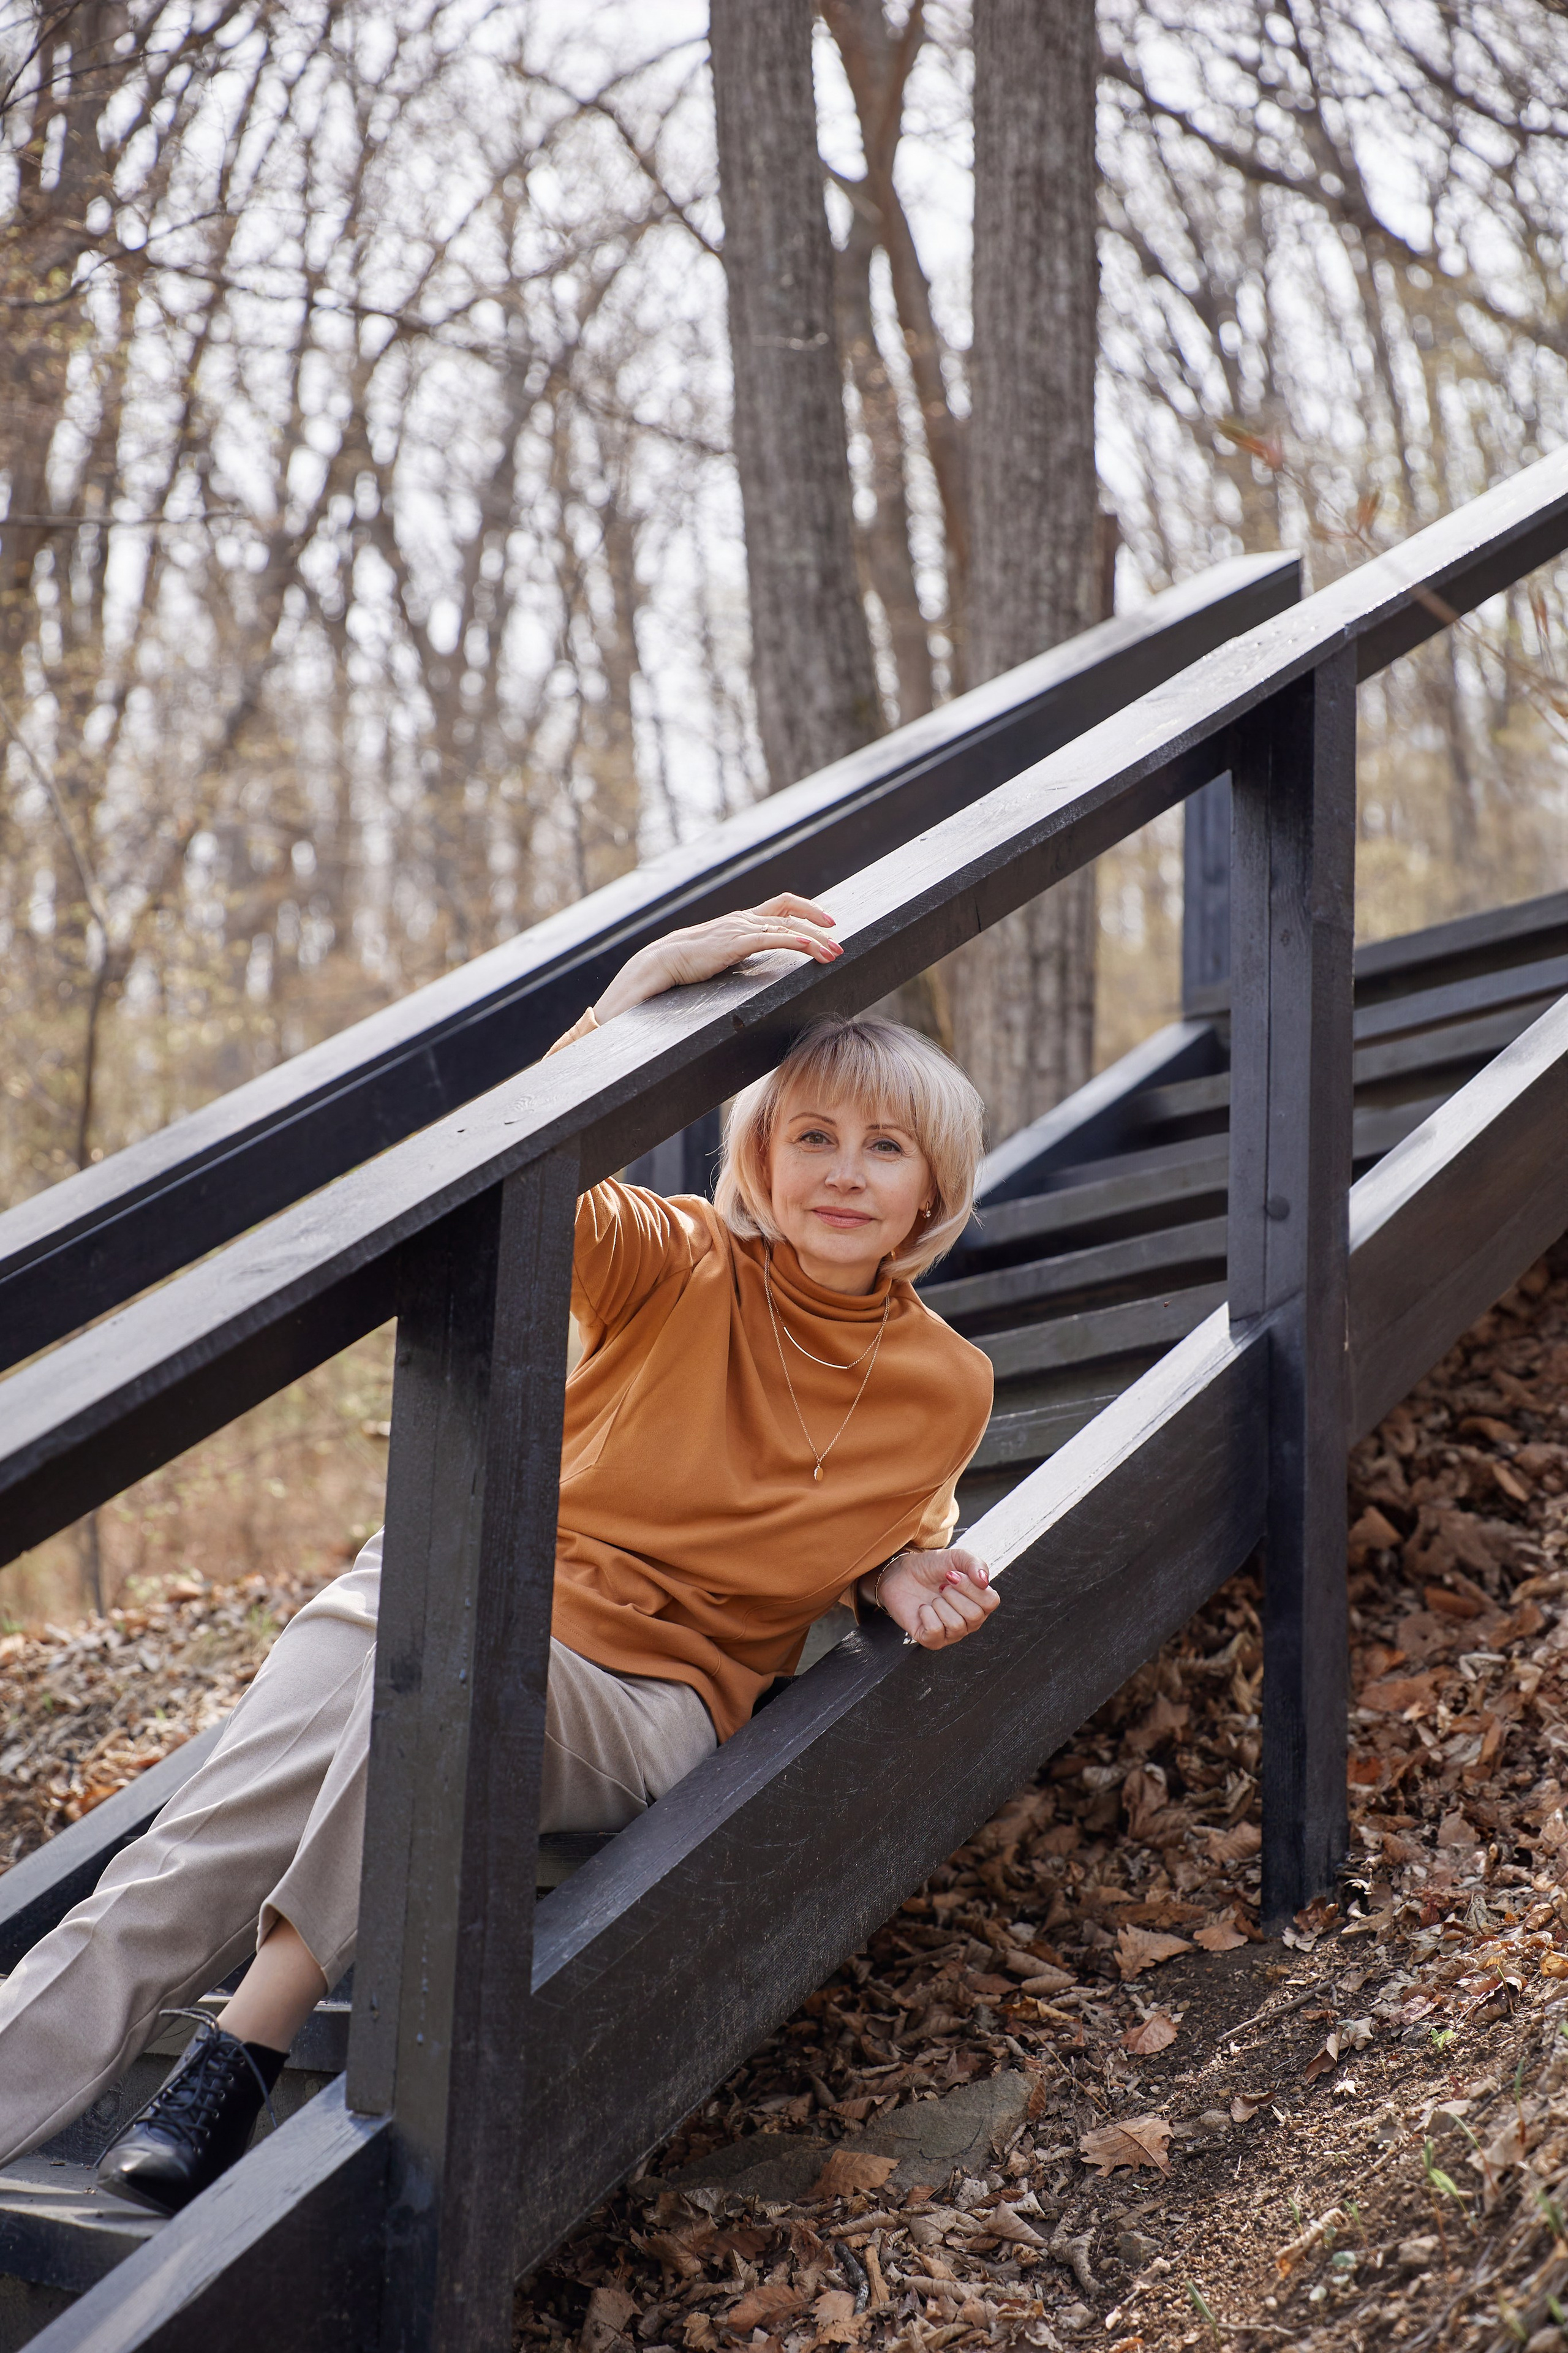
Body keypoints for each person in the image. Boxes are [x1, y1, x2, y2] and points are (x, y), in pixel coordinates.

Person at [0, 896, 998, 2213]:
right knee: (191, 1856)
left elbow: (892, 1516)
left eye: (884, 1146)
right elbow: (531, 1169)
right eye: (811, 1134)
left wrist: (894, 1570)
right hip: (443, 1598)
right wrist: (643, 983)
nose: (844, 1172)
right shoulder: (676, 1258)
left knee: (436, 1690)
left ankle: (245, 2037)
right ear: (759, 1153)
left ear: (933, 1182)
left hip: (643, 1700)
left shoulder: (946, 1385)